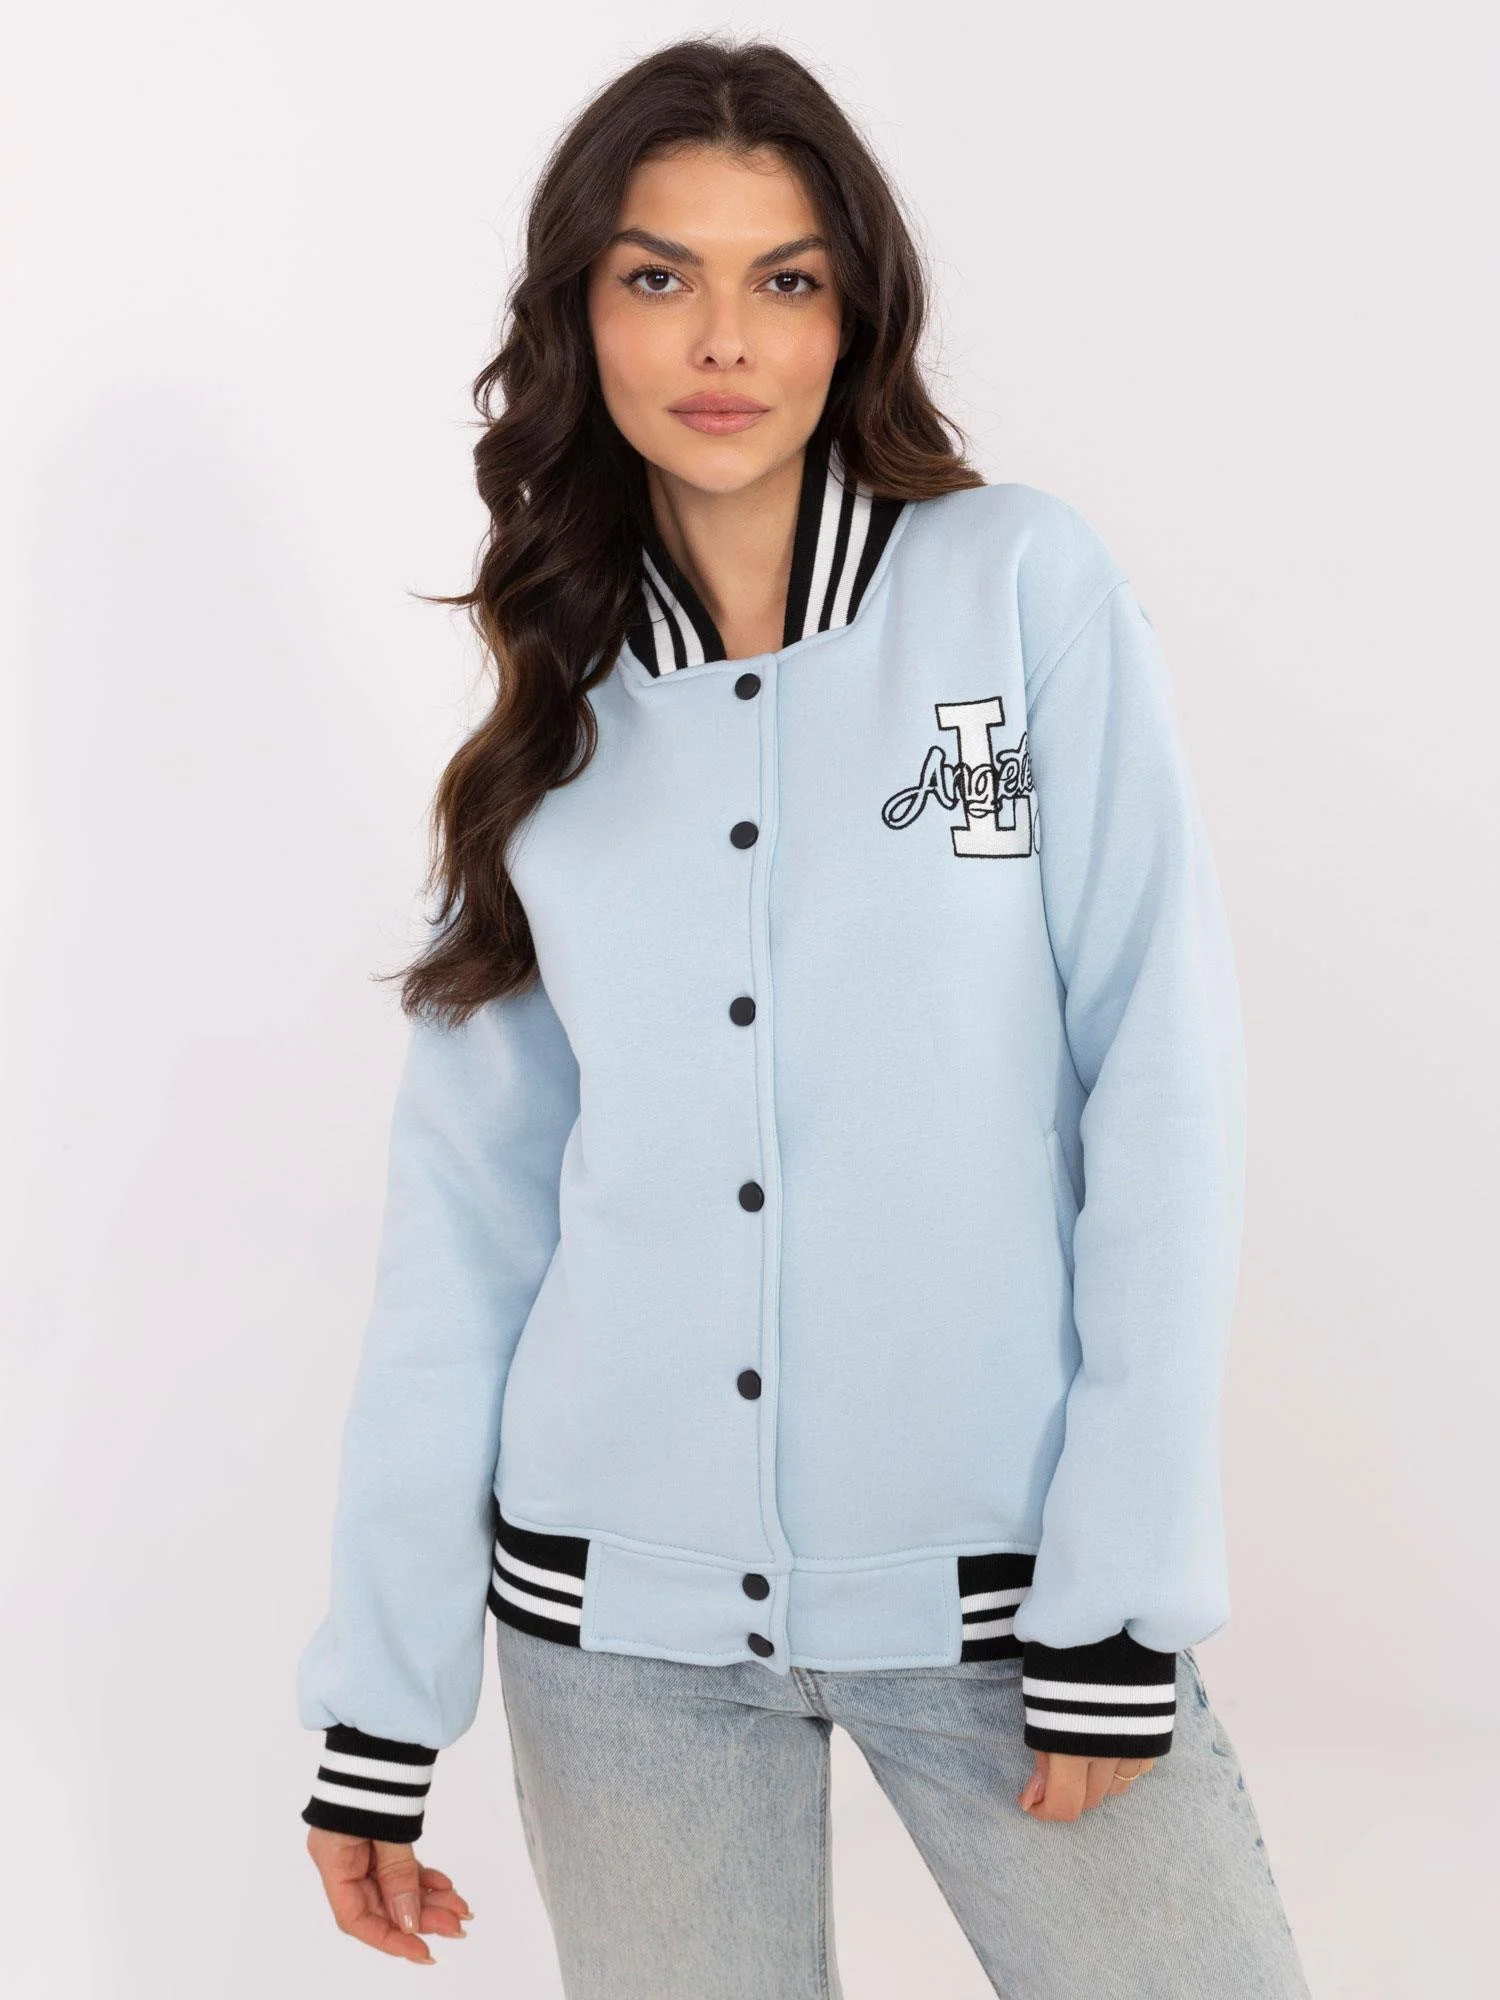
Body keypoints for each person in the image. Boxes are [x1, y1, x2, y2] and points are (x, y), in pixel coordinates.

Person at [296, 33, 1313, 1999]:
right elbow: (463, 1242)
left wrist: (1120, 1593)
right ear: (580, 313)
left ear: (855, 314)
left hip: (1010, 1605)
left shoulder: (1016, 591)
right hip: (616, 1630)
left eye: (785, 278)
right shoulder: (548, 720)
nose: (723, 339)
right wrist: (381, 1701)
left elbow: (1160, 1084)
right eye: (656, 275)